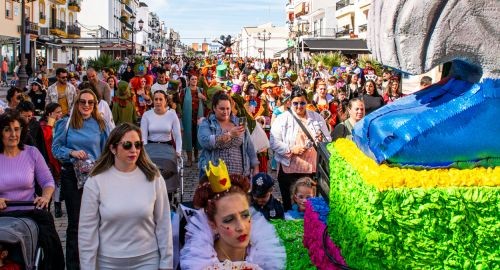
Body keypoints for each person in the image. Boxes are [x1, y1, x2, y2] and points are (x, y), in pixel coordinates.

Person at [79, 123, 173, 270]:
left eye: (138, 145)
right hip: (107, 262)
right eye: (127, 145)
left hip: (148, 259)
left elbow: (163, 223)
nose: (134, 150)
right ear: (113, 148)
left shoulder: (153, 176)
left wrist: (166, 263)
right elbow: (87, 230)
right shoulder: (96, 181)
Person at [180, 160, 286, 269]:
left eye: (245, 215)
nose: (241, 227)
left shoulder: (265, 258)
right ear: (213, 225)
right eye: (229, 219)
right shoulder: (202, 264)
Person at [52, 89, 110, 270]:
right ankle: (74, 265)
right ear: (76, 103)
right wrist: (71, 152)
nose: (86, 105)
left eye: (90, 102)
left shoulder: (100, 124)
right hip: (72, 177)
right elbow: (56, 148)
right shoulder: (66, 123)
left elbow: (108, 150)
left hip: (95, 177)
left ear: (94, 105)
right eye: (82, 102)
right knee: (76, 223)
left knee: (98, 220)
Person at [270, 87, 331, 210]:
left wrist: (321, 139)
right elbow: (273, 142)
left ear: (307, 102)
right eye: (295, 103)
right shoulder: (283, 119)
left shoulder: (317, 118)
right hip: (289, 169)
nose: (299, 106)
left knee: (310, 205)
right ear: (290, 102)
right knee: (289, 204)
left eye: (302, 103)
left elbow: (328, 140)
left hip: (311, 169)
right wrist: (291, 149)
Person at [198, 91, 259, 177]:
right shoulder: (207, 123)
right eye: (222, 109)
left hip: (238, 176)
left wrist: (255, 167)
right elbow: (205, 142)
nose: (225, 112)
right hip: (215, 177)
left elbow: (249, 146)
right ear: (214, 108)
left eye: (228, 108)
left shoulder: (239, 122)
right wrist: (229, 135)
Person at [39, 103, 64, 218]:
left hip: (59, 157)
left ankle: (58, 206)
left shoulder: (63, 123)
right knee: (50, 182)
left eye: (60, 112)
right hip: (48, 159)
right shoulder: (43, 125)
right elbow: (46, 140)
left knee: (58, 182)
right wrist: (50, 125)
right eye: (57, 112)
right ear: (50, 114)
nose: (60, 114)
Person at [141, 90, 182, 157]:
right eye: (156, 99)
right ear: (153, 101)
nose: (158, 102)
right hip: (151, 148)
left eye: (161, 99)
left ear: (165, 100)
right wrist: (144, 151)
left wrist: (178, 151)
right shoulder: (146, 115)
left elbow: (177, 135)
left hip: (167, 147)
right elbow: (143, 136)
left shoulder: (172, 115)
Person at [180, 75, 204, 167]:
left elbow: (206, 102)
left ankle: (196, 157)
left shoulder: (201, 90)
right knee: (188, 137)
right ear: (189, 81)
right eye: (192, 79)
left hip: (198, 117)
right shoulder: (184, 91)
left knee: (197, 136)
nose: (194, 80)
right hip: (188, 118)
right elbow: (180, 103)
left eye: (195, 79)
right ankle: (189, 159)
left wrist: (203, 97)